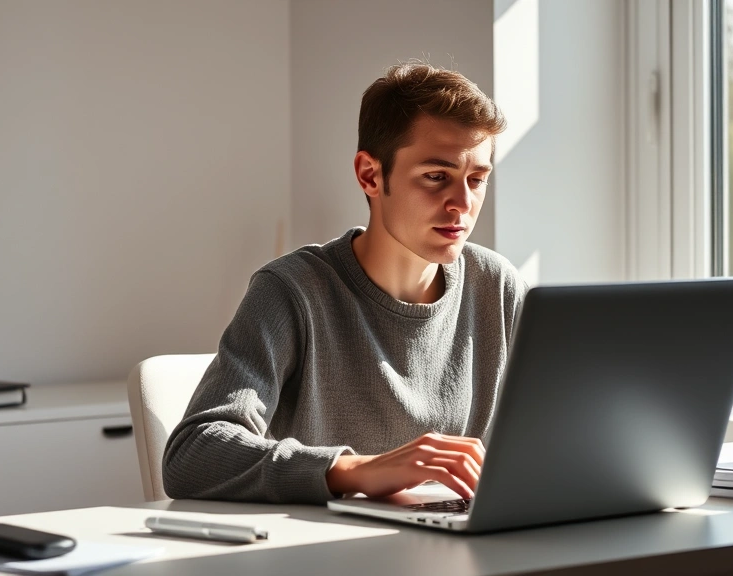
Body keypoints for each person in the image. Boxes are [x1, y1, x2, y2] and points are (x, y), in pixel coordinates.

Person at [163, 62, 528, 504]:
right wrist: (353, 469)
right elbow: (191, 455)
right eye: (437, 177)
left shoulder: (498, 286)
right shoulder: (292, 291)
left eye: (477, 179)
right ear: (370, 175)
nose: (462, 204)